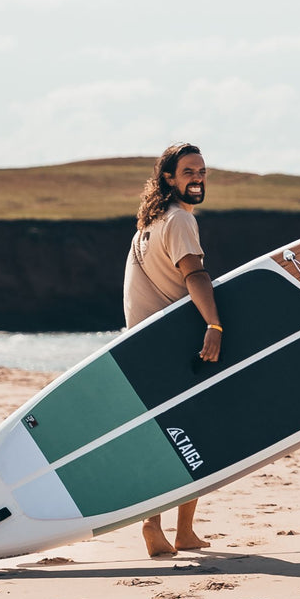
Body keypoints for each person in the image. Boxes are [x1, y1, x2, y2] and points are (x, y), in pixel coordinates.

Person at [123, 143, 223, 557]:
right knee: (192, 438)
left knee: (178, 437)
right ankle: (153, 524)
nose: (197, 178)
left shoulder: (149, 224)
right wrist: (214, 324)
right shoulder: (179, 220)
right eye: (188, 172)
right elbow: (195, 274)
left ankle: (182, 531)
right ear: (168, 177)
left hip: (144, 344)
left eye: (201, 171)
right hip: (170, 347)